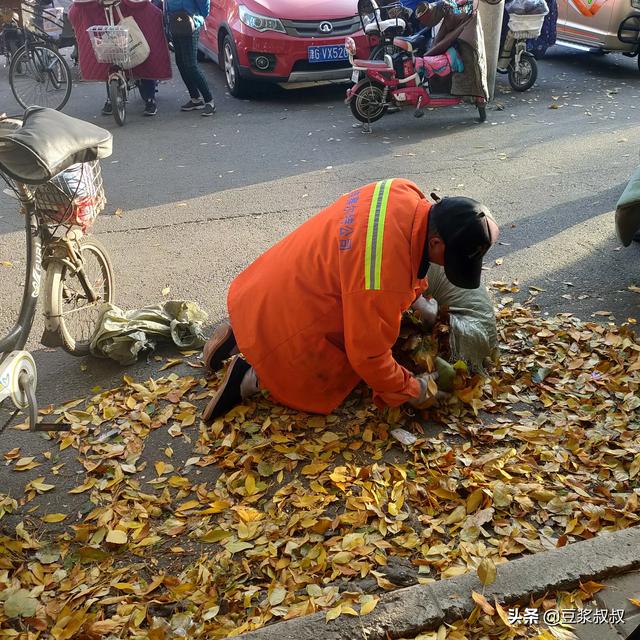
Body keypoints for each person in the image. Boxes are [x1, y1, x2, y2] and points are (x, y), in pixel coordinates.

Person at [201, 179, 499, 422]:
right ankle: (249, 377)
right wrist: (412, 389)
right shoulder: (382, 280)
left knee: (325, 306)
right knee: (336, 371)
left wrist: (417, 299)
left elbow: (395, 252)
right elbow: (369, 356)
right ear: (436, 242)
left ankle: (239, 332)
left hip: (268, 283)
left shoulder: (403, 191)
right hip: (290, 311)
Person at [166, 0, 214, 116]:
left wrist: (199, 19)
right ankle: (195, 99)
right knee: (181, 62)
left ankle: (209, 101)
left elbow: (204, 5)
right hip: (175, 23)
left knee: (191, 65)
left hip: (190, 24)